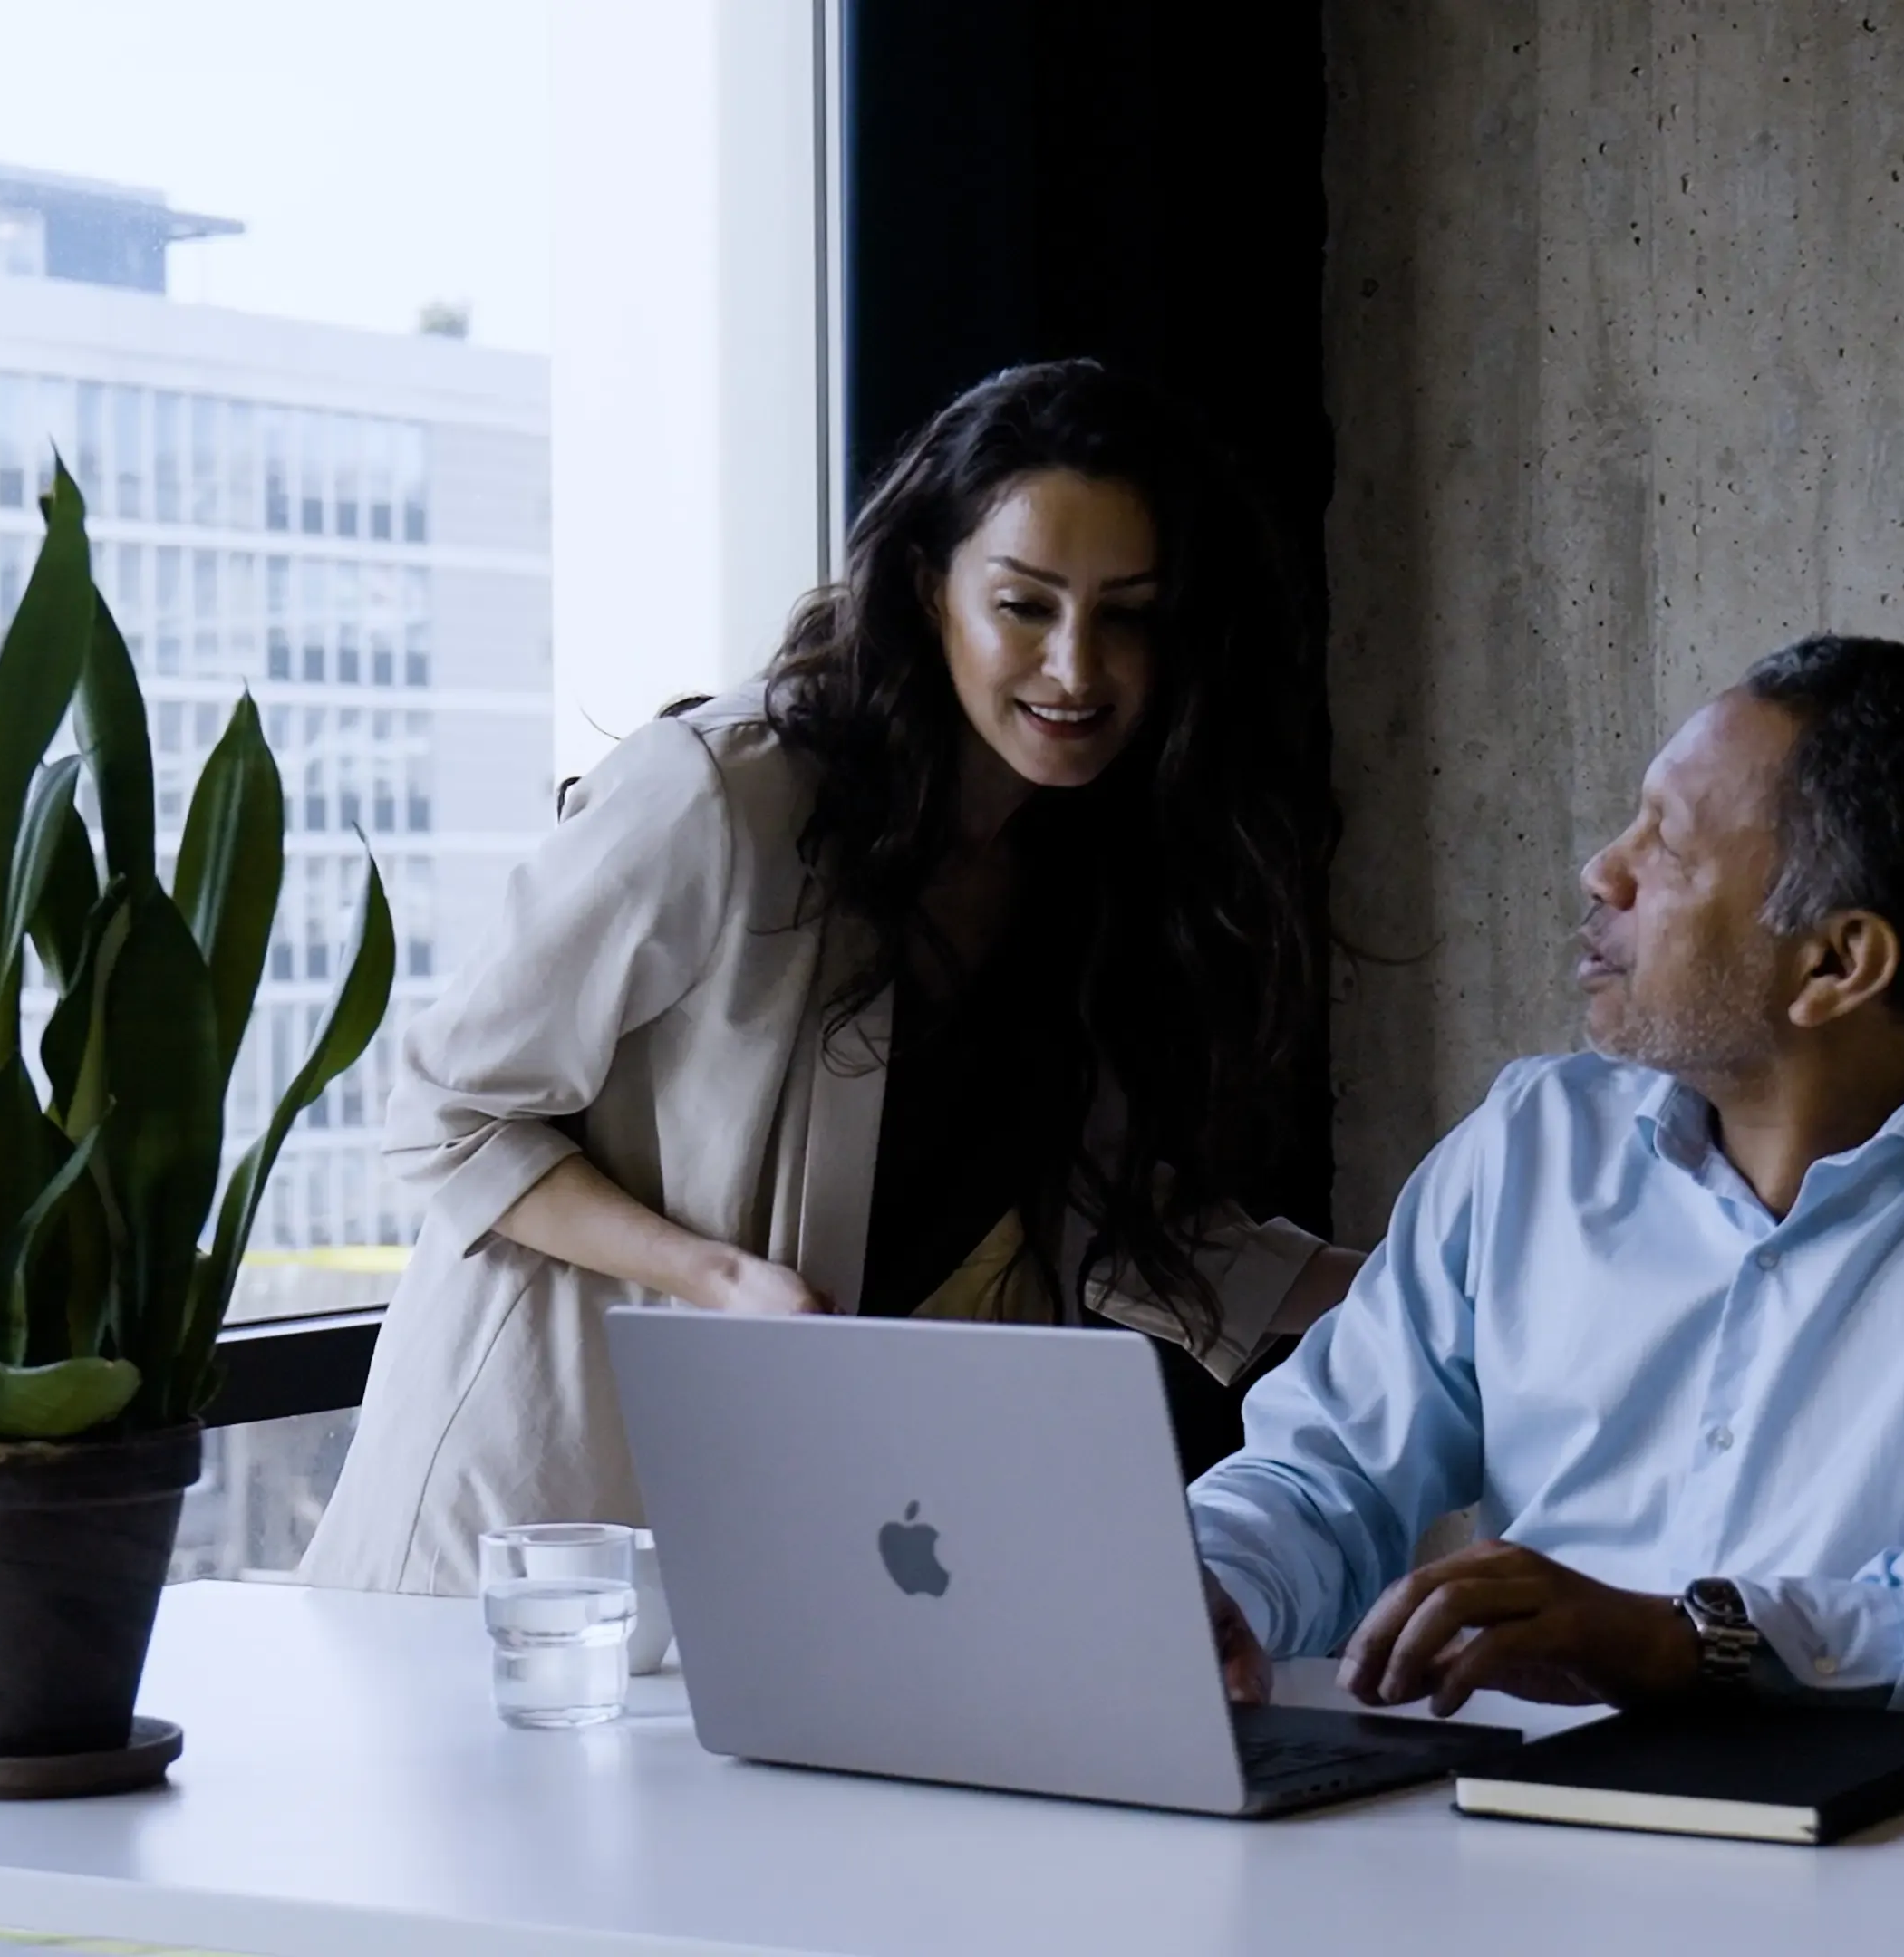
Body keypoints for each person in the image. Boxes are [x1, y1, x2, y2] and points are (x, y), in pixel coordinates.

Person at [305, 361, 1360, 1594]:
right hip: (542, 1534)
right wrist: (710, 1276)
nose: (1077, 669)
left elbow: (1122, 1223)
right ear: (931, 591)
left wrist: (1458, 1281)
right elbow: (448, 1112)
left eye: (1127, 614)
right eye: (1025, 605)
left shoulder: (1088, 864)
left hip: (806, 1541)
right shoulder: (724, 797)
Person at [1189, 636, 1904, 1732]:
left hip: (1886, 1870)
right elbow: (1318, 1473)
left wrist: (1706, 1640)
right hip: (1515, 1846)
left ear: (1836, 964)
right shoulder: (1532, 1145)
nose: (1601, 872)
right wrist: (1210, 1586)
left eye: (1664, 844)